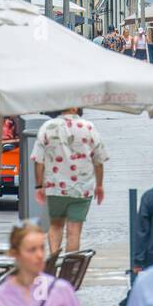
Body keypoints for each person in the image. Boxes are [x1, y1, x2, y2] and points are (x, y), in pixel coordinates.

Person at [32, 108, 108, 256]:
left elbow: (38, 160)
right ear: (74, 107)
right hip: (82, 188)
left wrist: (39, 185)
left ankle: (53, 262)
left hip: (55, 187)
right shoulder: (89, 127)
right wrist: (99, 185)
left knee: (55, 225)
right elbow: (98, 160)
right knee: (74, 230)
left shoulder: (47, 127)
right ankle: (68, 269)